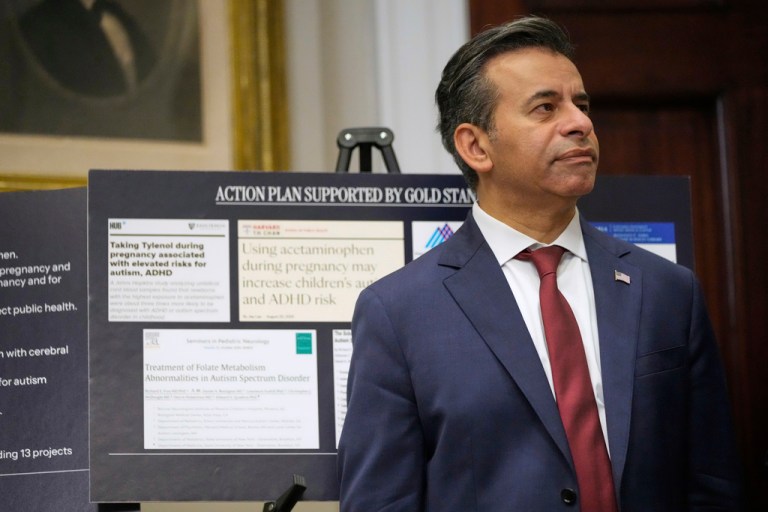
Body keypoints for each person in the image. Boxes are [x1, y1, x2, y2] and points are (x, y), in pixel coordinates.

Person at [337, 16, 742, 511]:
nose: (581, 123)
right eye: (546, 107)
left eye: (582, 104)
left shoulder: (667, 291)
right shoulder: (398, 312)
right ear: (476, 146)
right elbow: (381, 501)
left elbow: (712, 486)